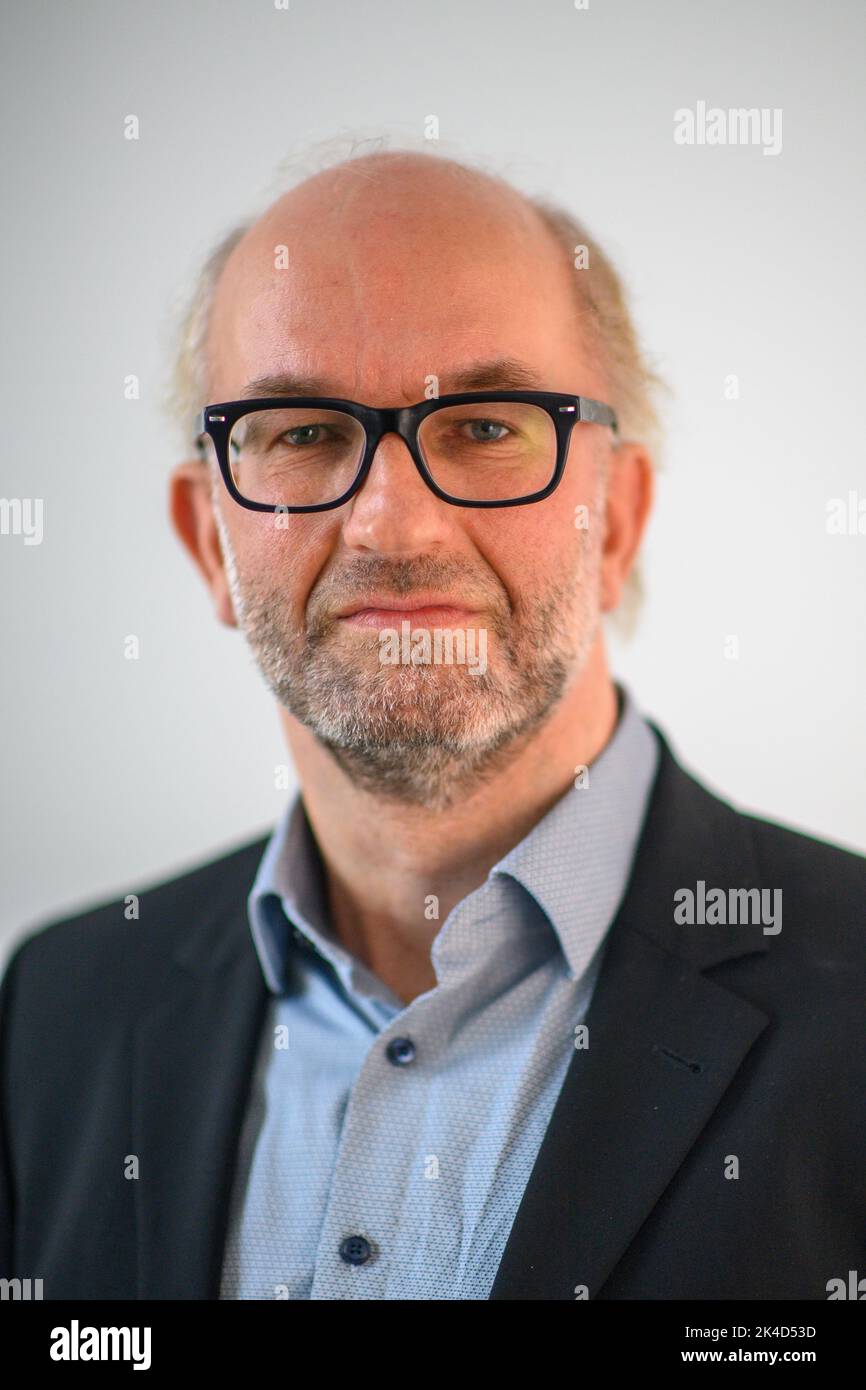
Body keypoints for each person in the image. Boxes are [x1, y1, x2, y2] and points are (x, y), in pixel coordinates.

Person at [1, 149, 863, 1302]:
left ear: (618, 522)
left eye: (488, 426)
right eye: (301, 430)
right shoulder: (60, 1005)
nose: (391, 521)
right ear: (209, 541)